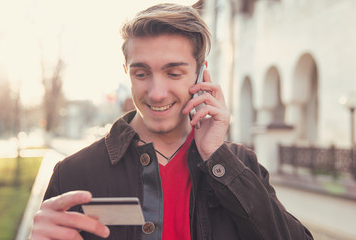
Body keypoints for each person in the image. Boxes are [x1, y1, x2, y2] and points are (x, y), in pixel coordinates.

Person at [30, 3, 313, 240]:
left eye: (173, 73)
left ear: (201, 74)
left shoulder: (240, 165)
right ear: (127, 72)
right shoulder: (74, 174)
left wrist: (218, 159)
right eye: (142, 74)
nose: (156, 93)